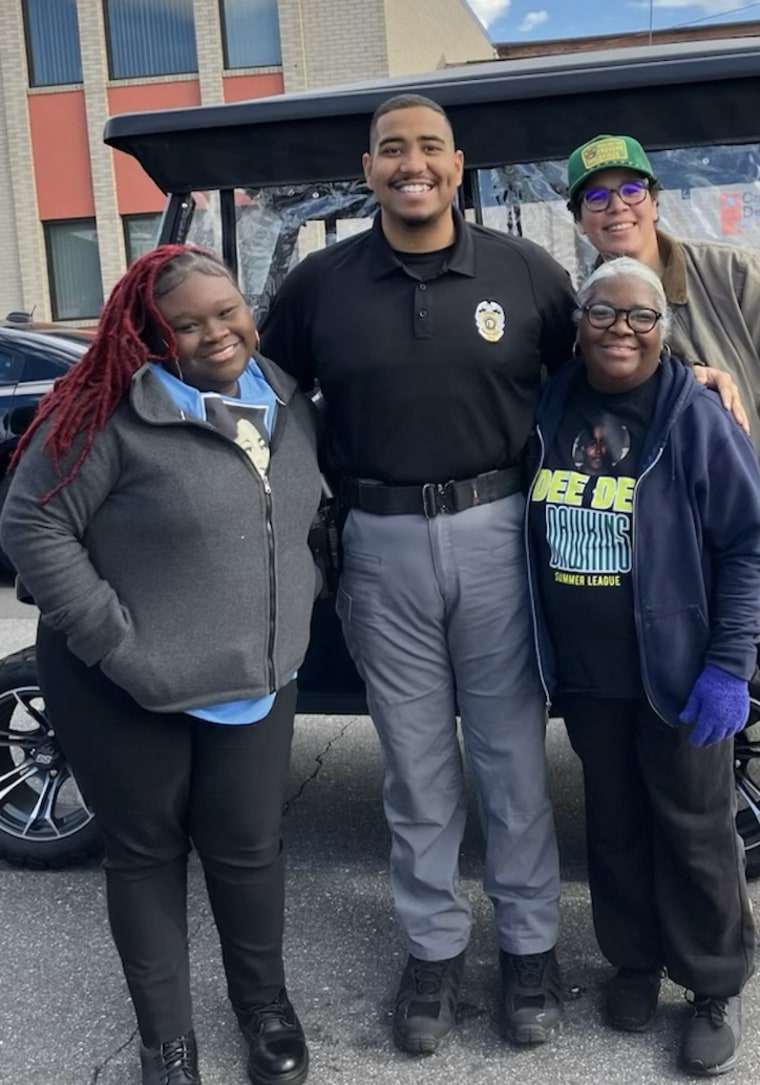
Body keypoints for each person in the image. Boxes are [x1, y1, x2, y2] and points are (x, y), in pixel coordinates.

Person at [260, 94, 743, 1058]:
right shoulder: (321, 284)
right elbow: (260, 390)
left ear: (457, 164)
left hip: (496, 532)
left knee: (513, 758)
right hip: (379, 540)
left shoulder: (522, 274)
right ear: (367, 170)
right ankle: (433, 951)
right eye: (391, 149)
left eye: (429, 148)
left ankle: (529, 949)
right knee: (415, 766)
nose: (412, 164)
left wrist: (696, 373)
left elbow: (615, 354)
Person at [0, 246, 321, 1085]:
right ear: (152, 332)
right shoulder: (106, 411)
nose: (216, 332)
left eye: (227, 310)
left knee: (250, 849)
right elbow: (32, 525)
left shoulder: (285, 398)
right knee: (146, 857)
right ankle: (166, 1043)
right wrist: (116, 642)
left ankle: (264, 1005)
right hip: (125, 682)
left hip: (256, 678)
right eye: (187, 323)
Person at [526, 256, 759, 1077]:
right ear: (579, 320)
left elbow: (747, 539)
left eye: (641, 317)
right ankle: (634, 963)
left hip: (680, 671)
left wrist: (730, 662)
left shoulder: (694, 415)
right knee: (615, 823)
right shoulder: (549, 400)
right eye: (603, 312)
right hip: (589, 673)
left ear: (663, 331)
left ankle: (712, 983)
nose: (621, 329)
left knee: (696, 830)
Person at [566, 132, 760, 447]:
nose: (617, 206)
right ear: (579, 221)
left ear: (654, 203)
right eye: (597, 197)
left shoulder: (736, 275)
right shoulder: (581, 318)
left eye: (632, 190)